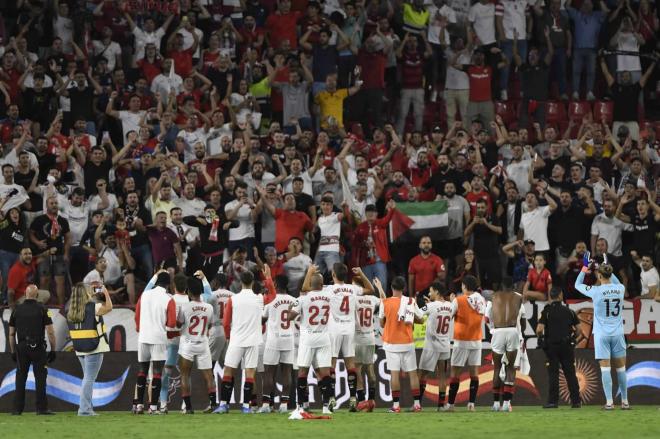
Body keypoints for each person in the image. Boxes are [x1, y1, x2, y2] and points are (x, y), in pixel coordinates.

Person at [214, 268, 275, 414]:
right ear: (253, 282)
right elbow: (272, 295)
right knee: (249, 373)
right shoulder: (259, 298)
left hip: (236, 340)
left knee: (228, 371)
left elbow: (226, 323)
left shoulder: (233, 299)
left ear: (240, 282)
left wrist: (229, 336)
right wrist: (268, 278)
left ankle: (223, 405)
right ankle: (247, 406)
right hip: (253, 341)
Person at [575, 254, 629, 410]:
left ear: (599, 275)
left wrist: (585, 267)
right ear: (610, 274)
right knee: (621, 369)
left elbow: (577, 284)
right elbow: (616, 280)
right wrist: (606, 264)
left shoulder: (595, 291)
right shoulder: (620, 289)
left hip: (601, 335)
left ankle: (610, 403)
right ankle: (625, 402)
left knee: (606, 369)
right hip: (618, 334)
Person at [288, 266, 336, 415]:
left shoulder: (302, 299)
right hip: (324, 338)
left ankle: (301, 406)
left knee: (303, 371)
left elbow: (290, 317)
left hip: (308, 338)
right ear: (322, 285)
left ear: (310, 285)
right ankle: (326, 407)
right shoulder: (330, 296)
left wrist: (291, 308)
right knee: (325, 373)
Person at [132, 271, 177, 415]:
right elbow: (171, 323)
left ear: (156, 281)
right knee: (157, 373)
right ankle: (153, 407)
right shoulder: (168, 299)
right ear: (168, 284)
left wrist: (140, 329)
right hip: (158, 338)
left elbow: (137, 315)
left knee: (142, 371)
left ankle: (138, 405)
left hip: (143, 337)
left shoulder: (144, 295)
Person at [8, 284, 57, 415]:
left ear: (25, 294)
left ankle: (17, 409)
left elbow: (11, 334)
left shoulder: (16, 310)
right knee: (40, 378)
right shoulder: (43, 309)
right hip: (38, 347)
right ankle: (41, 408)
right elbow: (50, 332)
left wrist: (13, 351)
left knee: (20, 377)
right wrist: (53, 350)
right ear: (37, 295)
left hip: (22, 347)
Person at [377, 276, 423, 413]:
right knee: (413, 374)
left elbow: (381, 323)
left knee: (395, 375)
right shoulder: (410, 301)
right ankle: (417, 404)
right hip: (407, 343)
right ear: (404, 288)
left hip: (391, 344)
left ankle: (396, 406)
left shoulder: (384, 303)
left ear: (391, 287)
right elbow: (420, 319)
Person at [66, 282, 113, 416]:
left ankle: (88, 407)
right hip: (94, 346)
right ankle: (84, 409)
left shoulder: (71, 310)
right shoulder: (93, 307)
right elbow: (109, 307)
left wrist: (90, 294)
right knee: (89, 379)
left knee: (87, 378)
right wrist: (105, 291)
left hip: (80, 347)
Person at [536, 286, 581, 409]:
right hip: (566, 346)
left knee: (553, 374)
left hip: (551, 347)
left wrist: (541, 338)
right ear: (561, 296)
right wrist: (572, 338)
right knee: (570, 374)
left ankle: (553, 402)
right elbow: (579, 330)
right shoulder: (569, 311)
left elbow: (539, 329)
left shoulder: (547, 311)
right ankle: (576, 401)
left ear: (551, 296)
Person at [177, 276, 216, 414]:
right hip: (203, 343)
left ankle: (188, 408)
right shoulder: (209, 307)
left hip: (188, 343)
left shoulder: (185, 307)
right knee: (209, 376)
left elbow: (178, 323)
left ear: (189, 292)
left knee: (185, 375)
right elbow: (210, 325)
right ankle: (213, 404)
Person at [447, 275, 486, 412]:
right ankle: (471, 404)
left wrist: (452, 301)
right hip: (476, 340)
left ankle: (451, 405)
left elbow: (449, 316)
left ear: (464, 286)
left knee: (455, 372)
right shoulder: (482, 300)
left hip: (461, 340)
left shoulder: (459, 300)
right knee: (474, 373)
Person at [485, 280, 525, 412]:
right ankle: (507, 403)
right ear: (513, 287)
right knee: (511, 367)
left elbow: (486, 318)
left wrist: (492, 329)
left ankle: (496, 404)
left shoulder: (493, 297)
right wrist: (520, 334)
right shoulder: (519, 297)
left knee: (497, 368)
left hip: (498, 331)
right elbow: (522, 320)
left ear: (501, 287)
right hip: (513, 331)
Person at [260, 274, 296, 413]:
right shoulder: (294, 300)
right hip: (288, 339)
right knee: (287, 371)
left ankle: (265, 405)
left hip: (273, 340)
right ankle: (284, 405)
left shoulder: (271, 302)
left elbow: (262, 321)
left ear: (275, 284)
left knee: (269, 372)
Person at [418, 282, 453, 411]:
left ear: (437, 292)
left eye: (431, 291)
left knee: (421, 374)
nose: (429, 293)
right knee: (442, 375)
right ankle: (441, 405)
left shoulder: (431, 306)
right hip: (445, 345)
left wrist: (425, 306)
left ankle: (417, 404)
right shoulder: (450, 306)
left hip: (431, 346)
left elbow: (418, 315)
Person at [354, 282, 380, 412]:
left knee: (357, 369)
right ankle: (372, 400)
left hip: (357, 338)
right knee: (370, 368)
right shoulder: (373, 299)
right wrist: (380, 288)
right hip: (370, 337)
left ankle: (362, 400)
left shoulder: (354, 299)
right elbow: (384, 303)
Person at [408, 236, 446, 303]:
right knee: (421, 313)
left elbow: (442, 277)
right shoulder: (413, 261)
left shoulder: (437, 259)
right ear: (420, 245)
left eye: (429, 243)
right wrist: (411, 297)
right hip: (419, 296)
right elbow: (411, 280)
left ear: (431, 245)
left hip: (433, 296)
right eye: (424, 243)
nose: (426, 245)